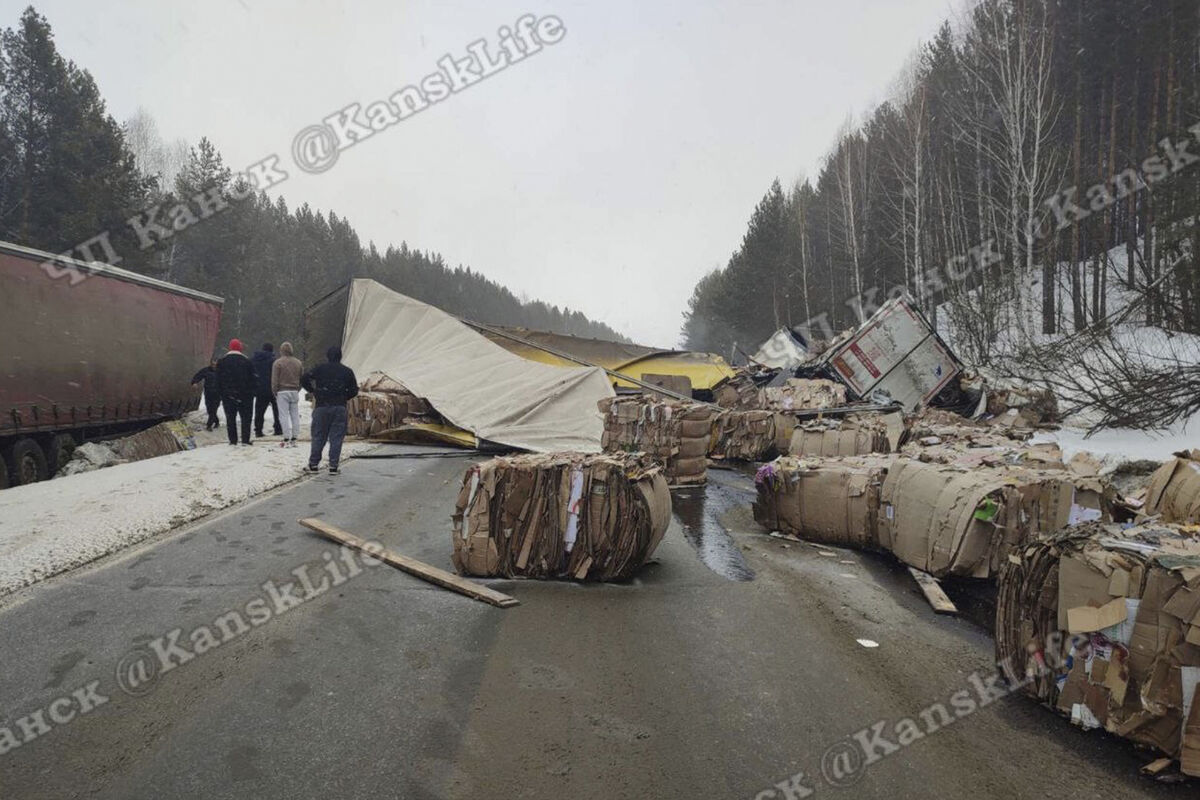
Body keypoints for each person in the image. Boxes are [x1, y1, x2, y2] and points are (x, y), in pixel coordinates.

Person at [300, 346, 358, 474]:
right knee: (336, 437)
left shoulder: (320, 369)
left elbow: (304, 378)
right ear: (340, 357)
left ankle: (313, 464)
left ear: (327, 356)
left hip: (322, 406)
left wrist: (313, 391)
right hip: (339, 407)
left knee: (318, 436)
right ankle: (333, 465)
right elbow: (354, 390)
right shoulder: (347, 371)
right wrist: (344, 396)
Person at [215, 339, 256, 445]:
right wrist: (252, 392)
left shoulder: (222, 362)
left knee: (230, 418)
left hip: (228, 395)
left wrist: (221, 393)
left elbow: (218, 379)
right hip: (245, 395)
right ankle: (245, 440)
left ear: (230, 347)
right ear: (240, 348)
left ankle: (233, 440)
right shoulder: (247, 362)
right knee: (246, 418)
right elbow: (253, 379)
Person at [272, 341, 303, 447]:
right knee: (295, 414)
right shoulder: (298, 363)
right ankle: (295, 436)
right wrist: (297, 389)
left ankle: (286, 436)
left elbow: (275, 379)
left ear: (281, 351)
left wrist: (274, 390)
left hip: (282, 391)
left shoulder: (278, 363)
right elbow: (301, 377)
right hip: (294, 391)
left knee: (283, 415)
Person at [251, 343, 282, 438]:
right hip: (273, 388)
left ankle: (258, 430)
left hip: (260, 389)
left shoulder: (253, 360)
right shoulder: (274, 361)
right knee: (277, 410)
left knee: (259, 411)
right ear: (272, 350)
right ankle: (278, 428)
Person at [190, 359, 221, 431]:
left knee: (214, 408)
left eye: (215, 363)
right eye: (213, 363)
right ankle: (216, 421)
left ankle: (209, 425)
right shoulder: (206, 370)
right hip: (208, 393)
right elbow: (198, 375)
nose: (214, 365)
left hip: (218, 394)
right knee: (209, 409)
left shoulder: (222, 372)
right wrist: (195, 382)